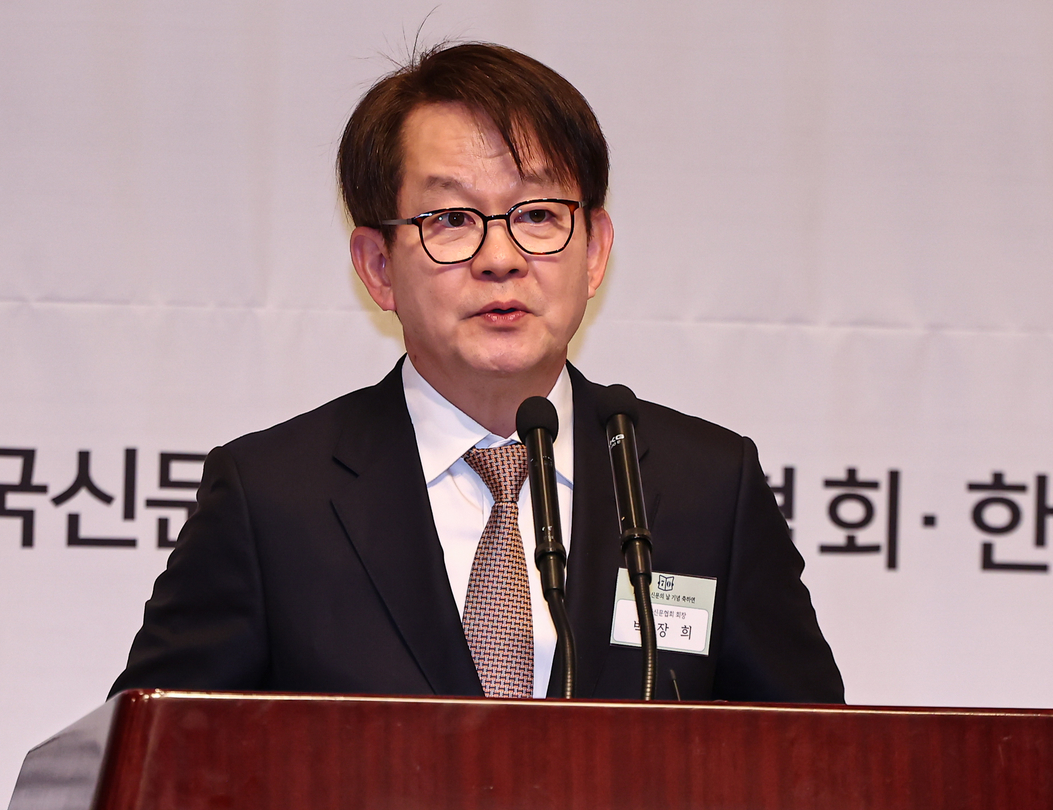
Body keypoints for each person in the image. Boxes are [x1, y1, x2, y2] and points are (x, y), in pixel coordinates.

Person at [110, 43, 842, 703]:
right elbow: (151, 775)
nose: (500, 258)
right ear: (376, 267)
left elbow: (813, 765)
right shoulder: (271, 498)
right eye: (451, 219)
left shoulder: (706, 488)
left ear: (593, 252)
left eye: (538, 214)